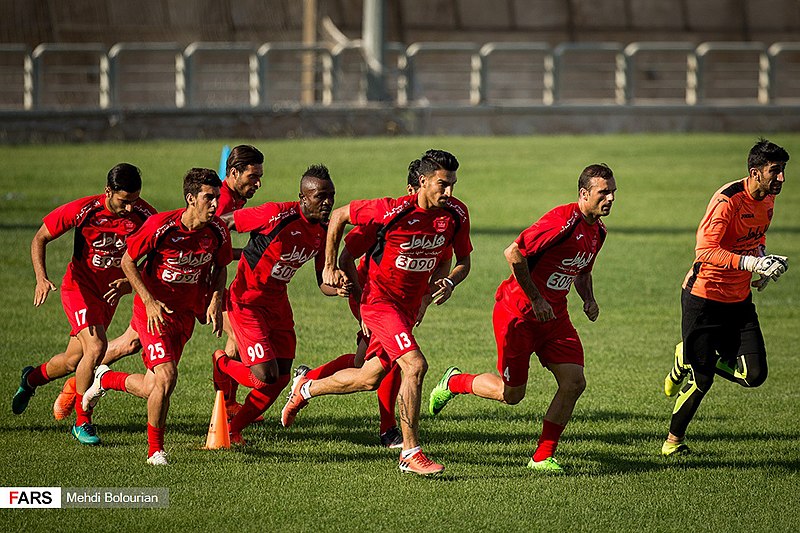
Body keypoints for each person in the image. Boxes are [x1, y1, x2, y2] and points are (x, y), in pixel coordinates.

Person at [281, 150, 472, 476]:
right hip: (379, 303)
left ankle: (305, 387)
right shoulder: (390, 211)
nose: (449, 192)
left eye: (453, 184)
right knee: (414, 365)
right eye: (443, 184)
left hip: (409, 308)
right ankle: (409, 453)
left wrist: (445, 284)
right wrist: (328, 266)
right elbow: (340, 216)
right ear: (422, 182)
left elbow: (460, 260)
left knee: (368, 377)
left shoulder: (455, 214)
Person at [51, 145, 264, 421]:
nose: (258, 183)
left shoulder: (232, 200)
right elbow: (193, 247)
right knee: (234, 334)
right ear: (234, 174)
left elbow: (215, 252)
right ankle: (228, 402)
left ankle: (90, 376)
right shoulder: (219, 203)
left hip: (193, 285)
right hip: (185, 287)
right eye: (252, 177)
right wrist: (255, 254)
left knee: (130, 344)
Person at [428, 163, 617, 473]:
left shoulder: (599, 231)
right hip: (517, 315)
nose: (610, 198)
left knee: (574, 382)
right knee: (511, 394)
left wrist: (589, 299)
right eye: (603, 192)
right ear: (584, 194)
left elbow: (582, 270)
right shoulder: (562, 221)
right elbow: (513, 253)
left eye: (613, 193)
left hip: (554, 318)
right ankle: (455, 382)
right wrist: (536, 298)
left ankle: (543, 456)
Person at [82, 168, 233, 465]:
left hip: (185, 315)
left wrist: (215, 298)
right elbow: (128, 261)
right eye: (208, 198)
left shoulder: (218, 231)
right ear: (190, 198)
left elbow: (221, 266)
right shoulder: (160, 226)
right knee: (167, 377)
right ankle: (155, 451)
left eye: (217, 198)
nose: (215, 205)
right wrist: (148, 300)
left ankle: (105, 379)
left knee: (154, 387)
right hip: (154, 313)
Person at [11, 164, 156, 445]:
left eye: (134, 200)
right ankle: (82, 420)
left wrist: (131, 284)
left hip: (109, 295)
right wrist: (41, 278)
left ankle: (31, 379)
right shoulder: (84, 210)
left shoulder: (144, 214)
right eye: (124, 201)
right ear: (108, 191)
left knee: (72, 361)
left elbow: (158, 251)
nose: (129, 208)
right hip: (78, 288)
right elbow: (40, 237)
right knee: (97, 347)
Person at [661, 139, 789, 456]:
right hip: (703, 298)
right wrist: (752, 262)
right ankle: (672, 443)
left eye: (783, 171)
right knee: (702, 380)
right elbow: (705, 251)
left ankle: (686, 355)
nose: (781, 179)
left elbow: (755, 238)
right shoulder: (727, 200)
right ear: (754, 172)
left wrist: (763, 261)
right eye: (775, 172)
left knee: (754, 376)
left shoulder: (768, 200)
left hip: (739, 300)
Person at [211, 165, 343, 444]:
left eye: (331, 195)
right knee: (265, 377)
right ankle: (222, 362)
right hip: (247, 303)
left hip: (278, 304)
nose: (328, 202)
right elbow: (225, 222)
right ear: (303, 198)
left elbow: (323, 281)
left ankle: (234, 430)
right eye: (321, 196)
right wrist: (208, 252)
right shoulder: (275, 214)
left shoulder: (324, 230)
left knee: (282, 377)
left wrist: (340, 287)